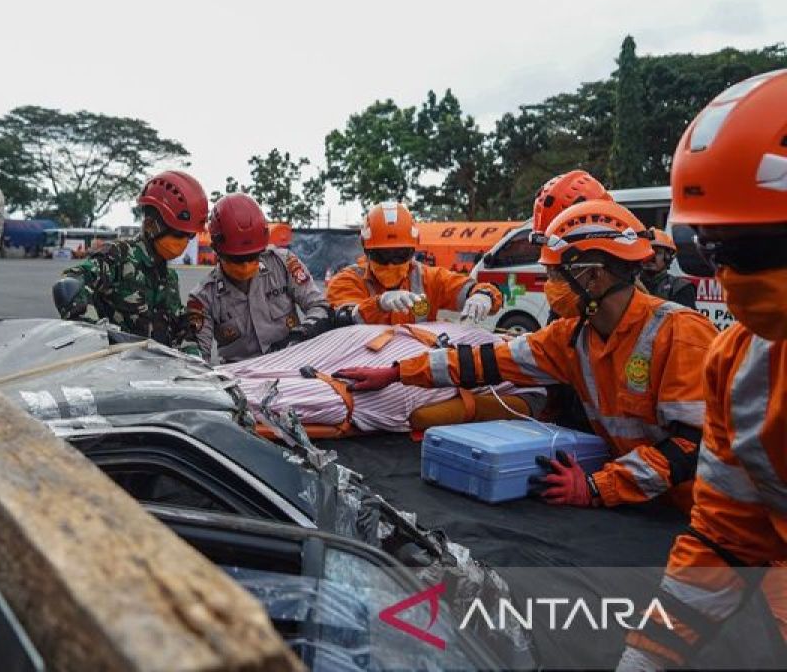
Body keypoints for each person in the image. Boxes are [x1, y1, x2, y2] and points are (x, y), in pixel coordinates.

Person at [335, 200, 718, 511]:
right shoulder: (572, 336)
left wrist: (596, 487)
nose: (548, 286)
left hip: (705, 513)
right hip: (647, 507)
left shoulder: (680, 335)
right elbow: (482, 361)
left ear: (594, 276)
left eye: (554, 275)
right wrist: (398, 372)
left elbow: (690, 447)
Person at [620, 69, 787, 670]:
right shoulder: (743, 365)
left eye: (761, 249)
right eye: (715, 251)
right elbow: (725, 538)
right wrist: (648, 658)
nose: (734, 277)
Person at [53, 171, 208, 353]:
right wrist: (95, 333)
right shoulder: (118, 257)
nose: (184, 242)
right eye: (178, 234)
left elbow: (177, 326)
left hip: (156, 374)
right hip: (115, 370)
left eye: (189, 235)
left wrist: (192, 352)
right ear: (151, 225)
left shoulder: (169, 278)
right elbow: (68, 285)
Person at [186, 193, 330, 362]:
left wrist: (301, 333)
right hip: (241, 378)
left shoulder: (283, 264)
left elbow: (320, 306)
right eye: (237, 259)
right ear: (217, 251)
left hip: (292, 363)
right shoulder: (203, 298)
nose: (246, 265)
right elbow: (197, 360)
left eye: (253, 256)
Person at [325, 201, 502, 326]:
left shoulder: (429, 279)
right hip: (366, 366)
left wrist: (483, 295)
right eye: (382, 255)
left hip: (415, 367)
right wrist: (379, 304)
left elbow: (468, 288)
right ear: (366, 250)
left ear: (413, 250)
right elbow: (343, 318)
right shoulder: (347, 281)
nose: (391, 263)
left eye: (401, 254)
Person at [640, 228, 697, 309]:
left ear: (668, 257)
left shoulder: (680, 287)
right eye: (647, 250)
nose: (650, 257)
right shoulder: (630, 285)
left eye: (657, 252)